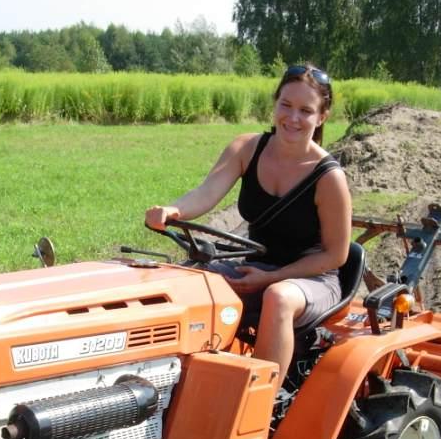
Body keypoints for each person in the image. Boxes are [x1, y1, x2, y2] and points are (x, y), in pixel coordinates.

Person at [145, 64, 352, 387]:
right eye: (286, 105)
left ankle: (260, 402)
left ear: (321, 117)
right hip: (257, 266)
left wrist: (272, 277)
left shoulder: (328, 177)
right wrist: (173, 210)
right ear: (275, 104)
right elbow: (206, 193)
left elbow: (336, 255)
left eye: (305, 110)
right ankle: (174, 388)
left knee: (278, 298)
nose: (293, 118)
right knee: (188, 282)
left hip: (311, 279)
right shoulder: (246, 149)